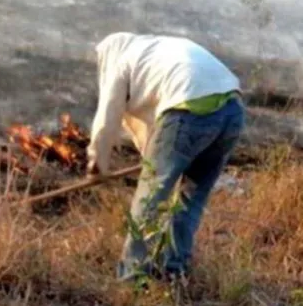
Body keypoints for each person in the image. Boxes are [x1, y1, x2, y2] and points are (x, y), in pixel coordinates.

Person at [86, 32, 245, 282]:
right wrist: (157, 156)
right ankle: (174, 271)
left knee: (150, 198)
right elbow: (156, 126)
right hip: (232, 112)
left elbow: (107, 119)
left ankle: (133, 275)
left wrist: (97, 163)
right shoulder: (159, 50)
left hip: (187, 111)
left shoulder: (121, 61)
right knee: (191, 197)